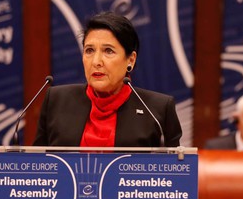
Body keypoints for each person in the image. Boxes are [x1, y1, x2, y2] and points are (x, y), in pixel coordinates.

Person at [34, 11, 182, 148]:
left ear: (130, 60)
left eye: (108, 51)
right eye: (89, 50)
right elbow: (36, 167)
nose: (96, 61)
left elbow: (173, 173)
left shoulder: (158, 110)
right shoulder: (56, 101)